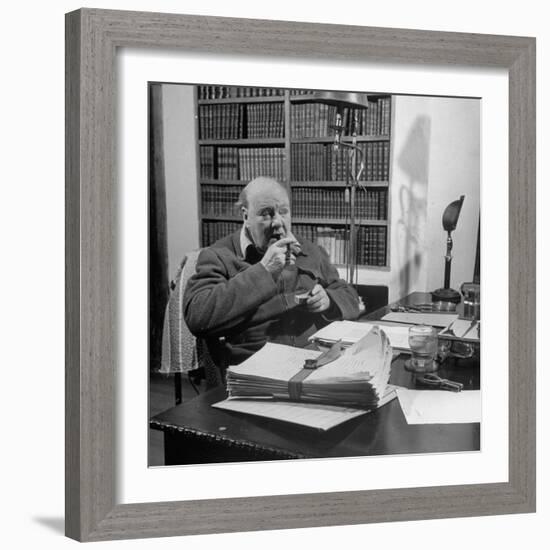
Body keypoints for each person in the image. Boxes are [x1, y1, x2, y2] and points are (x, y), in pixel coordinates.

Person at [183, 176, 360, 365]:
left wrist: (329, 300)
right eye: (266, 214)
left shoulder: (309, 250)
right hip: (252, 368)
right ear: (246, 217)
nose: (277, 222)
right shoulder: (218, 255)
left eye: (283, 212)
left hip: (310, 361)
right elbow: (198, 317)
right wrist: (264, 271)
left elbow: (351, 298)